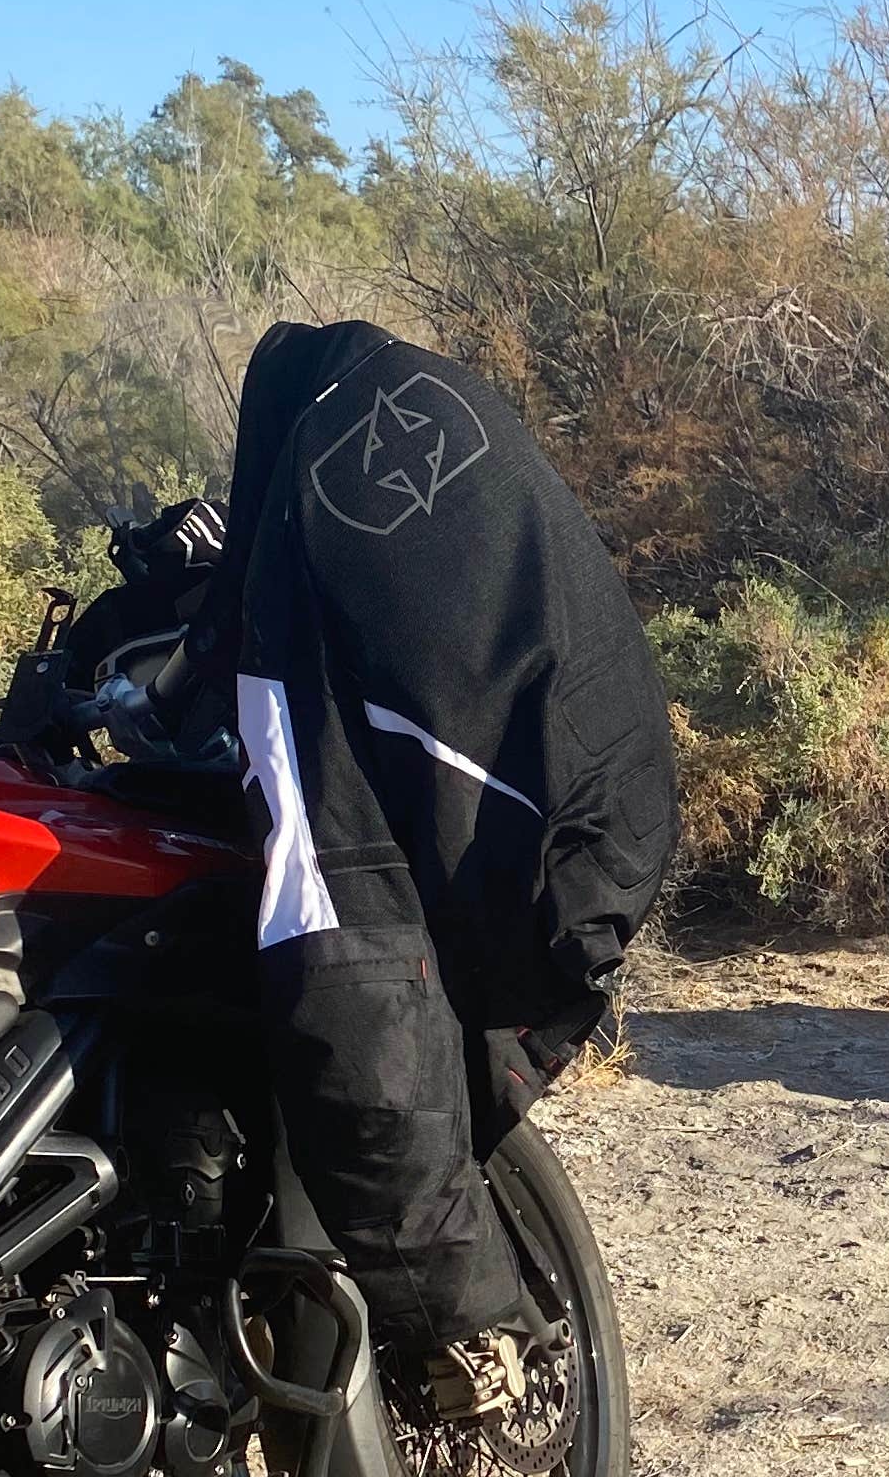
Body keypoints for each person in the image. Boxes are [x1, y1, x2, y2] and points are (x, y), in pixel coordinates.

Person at [198, 318, 676, 1410]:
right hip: (619, 812)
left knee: (353, 959)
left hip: (548, 875)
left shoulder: (302, 546)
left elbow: (342, 941)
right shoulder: (437, 411)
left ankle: (460, 1328)